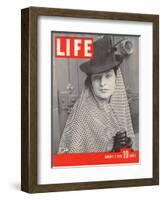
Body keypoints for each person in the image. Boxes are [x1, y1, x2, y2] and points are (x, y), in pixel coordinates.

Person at [57, 36, 135, 154]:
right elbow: (75, 161)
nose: (103, 83)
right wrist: (113, 150)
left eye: (108, 76)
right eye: (97, 78)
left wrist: (125, 147)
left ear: (116, 79)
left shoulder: (114, 106)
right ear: (90, 82)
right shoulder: (83, 114)